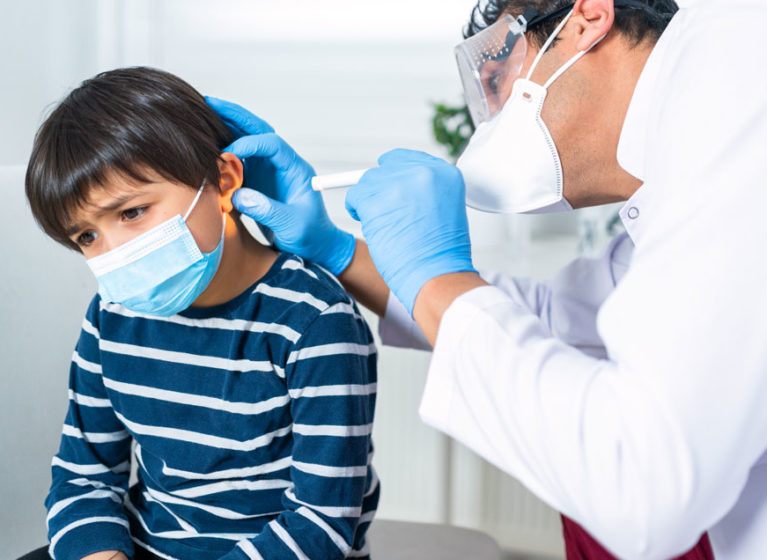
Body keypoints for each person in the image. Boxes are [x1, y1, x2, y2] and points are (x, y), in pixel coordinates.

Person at [206, 0, 767, 558]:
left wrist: (437, 275)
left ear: (586, 20)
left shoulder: (737, 90)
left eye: (498, 78)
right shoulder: (690, 135)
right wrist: (337, 250)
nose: (491, 117)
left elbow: (647, 488)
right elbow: (561, 318)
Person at [21, 67, 378, 560]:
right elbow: (84, 475)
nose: (114, 251)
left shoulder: (315, 320)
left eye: (131, 213)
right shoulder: (111, 316)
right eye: (86, 236)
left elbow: (320, 525)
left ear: (225, 181)